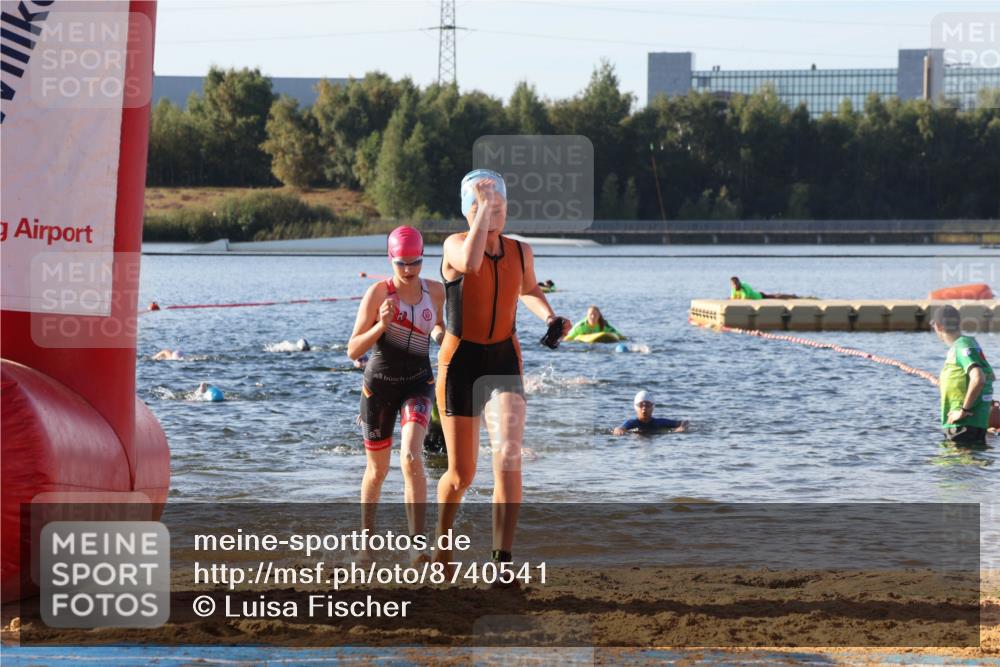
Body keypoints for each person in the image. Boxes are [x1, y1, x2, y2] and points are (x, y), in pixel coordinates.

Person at [435, 168, 570, 577]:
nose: (496, 213)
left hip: (503, 361)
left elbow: (527, 289)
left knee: (509, 455)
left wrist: (550, 316)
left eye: (501, 206)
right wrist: (480, 213)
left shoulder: (521, 251)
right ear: (469, 212)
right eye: (485, 207)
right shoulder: (455, 245)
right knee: (461, 475)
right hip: (460, 362)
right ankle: (441, 541)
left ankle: (501, 559)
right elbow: (473, 264)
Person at [348, 226, 445, 563]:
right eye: (402, 263)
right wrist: (380, 326)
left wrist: (442, 334)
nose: (408, 269)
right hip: (379, 388)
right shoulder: (377, 293)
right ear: (391, 259)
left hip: (419, 384)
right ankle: (367, 544)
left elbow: (441, 326)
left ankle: (418, 545)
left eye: (415, 262)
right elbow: (352, 350)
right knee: (377, 471)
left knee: (411, 457)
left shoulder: (436, 291)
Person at [931, 305, 995, 447]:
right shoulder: (971, 343)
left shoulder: (961, 347)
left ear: (939, 326)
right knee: (971, 466)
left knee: (951, 466)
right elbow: (990, 376)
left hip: (962, 426)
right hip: (974, 425)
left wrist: (963, 411)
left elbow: (979, 378)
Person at [613, 391, 688, 435]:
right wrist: (618, 429)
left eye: (648, 405)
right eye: (641, 405)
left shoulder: (659, 422)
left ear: (652, 407)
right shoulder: (632, 423)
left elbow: (684, 422)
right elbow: (621, 428)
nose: (644, 408)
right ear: (636, 407)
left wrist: (681, 427)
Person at [730, 276, 803, 300]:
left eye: (736, 284)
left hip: (760, 296)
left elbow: (745, 298)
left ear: (739, 282)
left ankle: (792, 296)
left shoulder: (744, 287)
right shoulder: (733, 289)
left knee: (776, 296)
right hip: (756, 295)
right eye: (733, 284)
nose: (735, 286)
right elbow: (732, 298)